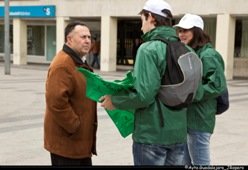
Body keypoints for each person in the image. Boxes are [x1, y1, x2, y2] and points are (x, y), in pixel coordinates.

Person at [100, 0, 187, 166]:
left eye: (142, 20)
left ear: (151, 18)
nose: (141, 27)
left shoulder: (148, 49)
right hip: (179, 133)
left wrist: (115, 101)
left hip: (151, 135)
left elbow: (144, 95)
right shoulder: (185, 49)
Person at [174, 13, 227, 165]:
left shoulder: (208, 55)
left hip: (200, 120)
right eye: (180, 30)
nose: (181, 34)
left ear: (197, 31)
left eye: (186, 30)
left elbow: (216, 85)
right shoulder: (191, 53)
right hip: (189, 119)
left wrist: (189, 93)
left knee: (201, 163)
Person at [44, 21, 97, 166]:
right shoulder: (63, 64)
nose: (87, 41)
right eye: (83, 37)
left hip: (79, 145)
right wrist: (75, 125)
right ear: (69, 39)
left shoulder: (78, 62)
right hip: (66, 145)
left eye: (89, 37)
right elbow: (56, 102)